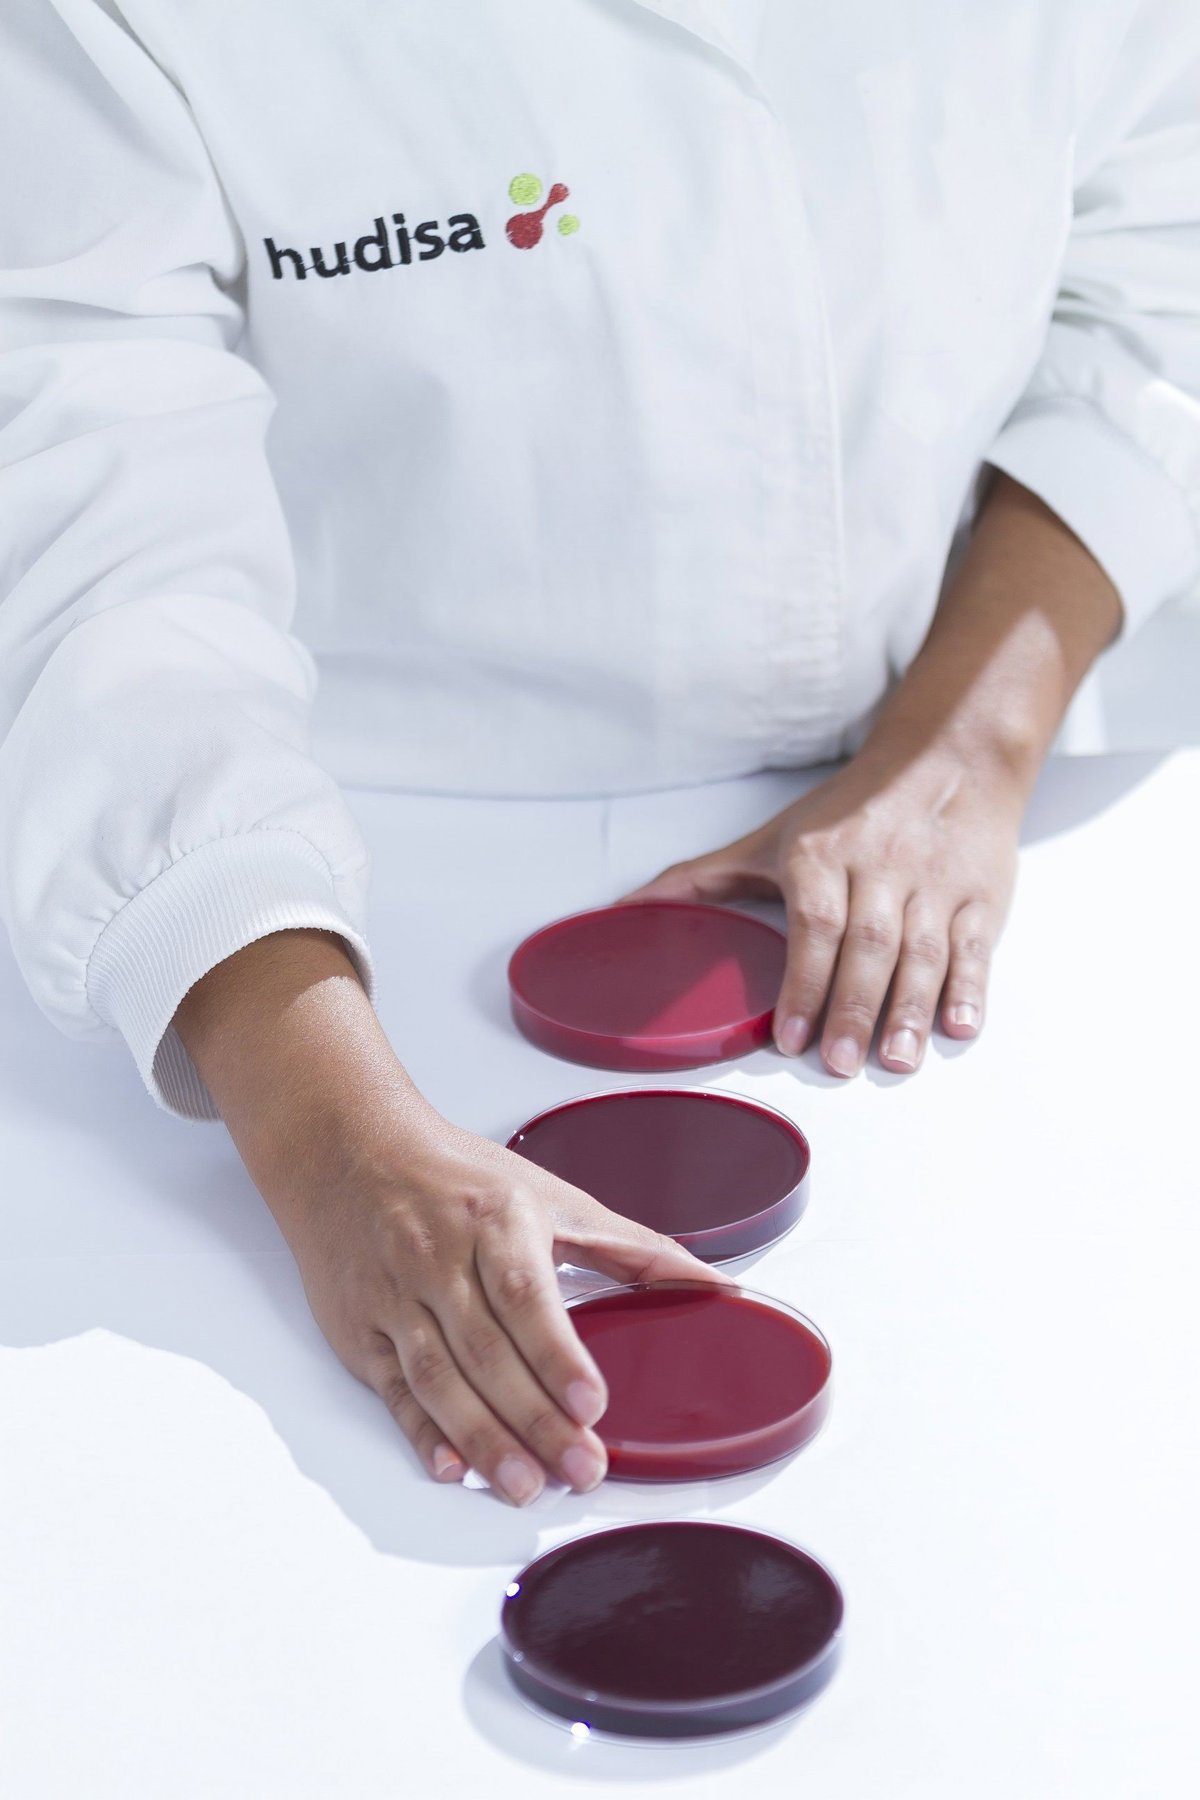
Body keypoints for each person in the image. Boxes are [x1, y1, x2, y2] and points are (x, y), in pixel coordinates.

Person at [2, 0, 1197, 1506]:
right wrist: (331, 1133)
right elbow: (86, 490)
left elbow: (1163, 256)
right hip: (317, 879)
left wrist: (964, 744)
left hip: (979, 782)